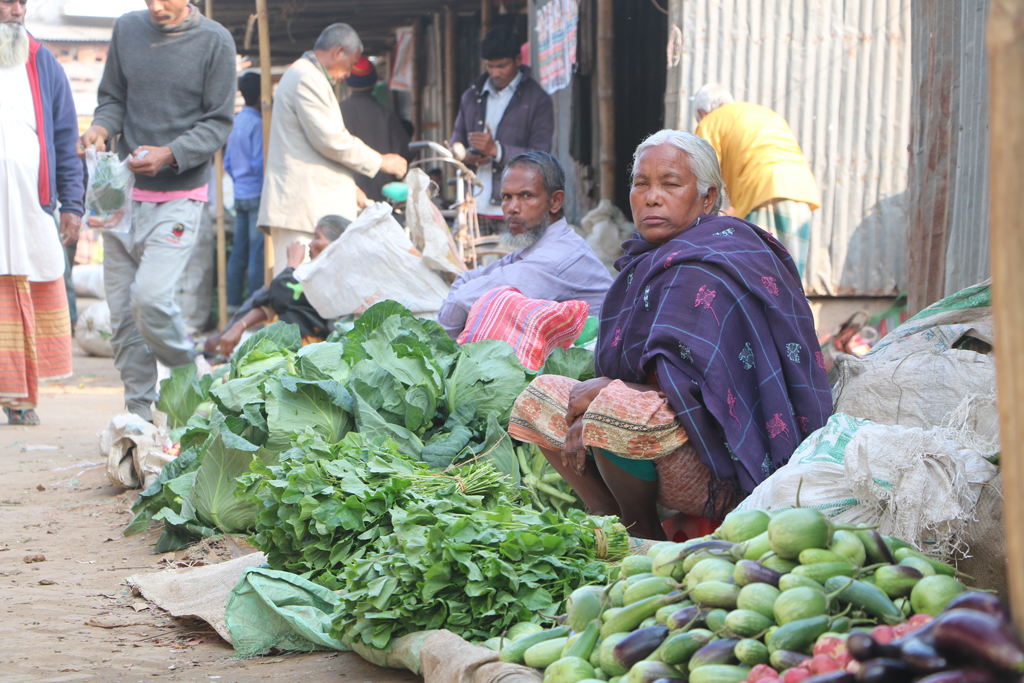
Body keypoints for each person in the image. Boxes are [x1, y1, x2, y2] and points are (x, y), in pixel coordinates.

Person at [509, 131, 832, 539]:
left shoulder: (714, 263)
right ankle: (606, 515)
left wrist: (612, 389)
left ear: (708, 198)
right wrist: (609, 390)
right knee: (542, 395)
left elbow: (707, 391)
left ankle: (643, 533)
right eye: (641, 184)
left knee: (613, 404)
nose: (652, 197)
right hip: (656, 439)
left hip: (718, 462)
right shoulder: (649, 260)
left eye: (670, 184)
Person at [77, 0, 236, 422]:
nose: (155, 6)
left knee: (149, 298)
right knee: (124, 319)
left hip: (180, 194)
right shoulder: (127, 30)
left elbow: (218, 123)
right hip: (121, 196)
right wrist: (101, 128)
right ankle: (139, 418)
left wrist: (171, 154)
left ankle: (190, 376)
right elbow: (112, 99)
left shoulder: (215, 41)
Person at [258, 23, 408, 276]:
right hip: (302, 211)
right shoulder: (306, 77)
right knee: (297, 297)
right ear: (338, 52)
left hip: (309, 209)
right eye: (350, 64)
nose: (348, 74)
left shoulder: (307, 75)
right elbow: (330, 141)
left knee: (308, 299)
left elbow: (316, 148)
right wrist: (382, 161)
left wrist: (350, 188)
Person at [0, 0, 82, 426]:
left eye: (21, 2)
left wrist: (73, 203)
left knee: (26, 290)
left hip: (31, 206)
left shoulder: (42, 60)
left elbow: (67, 134)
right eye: (6, 2)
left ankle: (20, 398)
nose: (15, 10)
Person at [437, 151, 612, 339]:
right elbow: (465, 280)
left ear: (555, 201)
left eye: (526, 195)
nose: (512, 208)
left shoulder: (556, 257)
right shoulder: (538, 247)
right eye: (506, 197)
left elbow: (462, 300)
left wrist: (442, 336)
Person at [692, 83, 820, 278]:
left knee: (760, 277)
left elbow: (702, 176)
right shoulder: (762, 114)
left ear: (702, 113)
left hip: (764, 192)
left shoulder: (711, 122)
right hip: (801, 192)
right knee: (791, 281)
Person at [451, 25, 554, 236]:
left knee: (517, 268)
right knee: (468, 267)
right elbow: (456, 142)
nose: (495, 73)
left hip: (517, 211)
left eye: (501, 66)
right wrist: (466, 155)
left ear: (518, 59)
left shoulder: (537, 99)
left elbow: (542, 156)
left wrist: (496, 150)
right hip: (473, 207)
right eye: (490, 66)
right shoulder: (470, 97)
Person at [214, 215, 349, 355]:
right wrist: (239, 325)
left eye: (317, 237)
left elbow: (282, 294)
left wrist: (291, 265)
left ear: (335, 244)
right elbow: (272, 299)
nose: (311, 243)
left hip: (319, 355)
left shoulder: (338, 280)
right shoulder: (313, 275)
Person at [339, 56, 411, 203]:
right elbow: (404, 152)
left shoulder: (337, 112)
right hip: (382, 193)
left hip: (347, 192)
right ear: (374, 81)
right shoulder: (385, 114)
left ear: (348, 81)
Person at [224, 72, 265, 312]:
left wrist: (240, 181)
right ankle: (253, 309)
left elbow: (227, 163)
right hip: (256, 194)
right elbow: (260, 163)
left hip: (239, 193)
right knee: (257, 253)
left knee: (238, 252)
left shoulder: (237, 121)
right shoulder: (258, 123)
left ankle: (232, 305)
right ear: (261, 96)